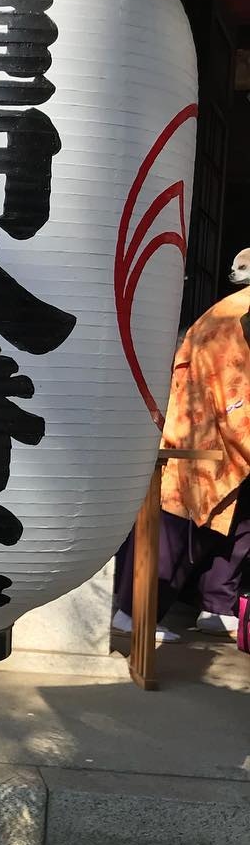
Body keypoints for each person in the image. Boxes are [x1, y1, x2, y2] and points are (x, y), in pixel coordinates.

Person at [113, 249, 250, 641]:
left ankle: (217, 605)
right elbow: (232, 389)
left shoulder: (231, 310)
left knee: (235, 524)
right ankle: (133, 611)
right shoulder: (234, 317)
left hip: (219, 431)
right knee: (175, 525)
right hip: (202, 432)